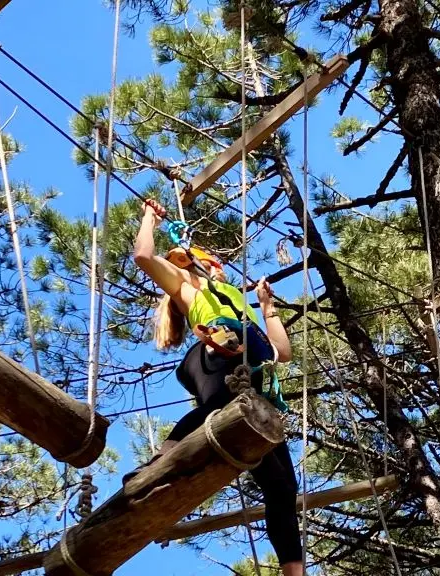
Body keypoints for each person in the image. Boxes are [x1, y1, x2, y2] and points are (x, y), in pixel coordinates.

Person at [125, 199, 303, 576]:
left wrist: (267, 309)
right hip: (212, 353)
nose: (216, 266)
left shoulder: (240, 304)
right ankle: (163, 456)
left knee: (284, 489)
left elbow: (281, 354)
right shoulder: (189, 287)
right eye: (209, 261)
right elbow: (143, 255)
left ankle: (294, 572)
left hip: (252, 373)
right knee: (223, 403)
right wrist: (149, 220)